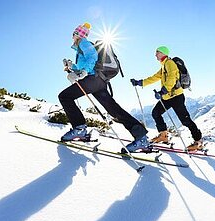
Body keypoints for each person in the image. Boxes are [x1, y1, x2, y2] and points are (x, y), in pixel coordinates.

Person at [58, 22, 149, 152]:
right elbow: (83, 66)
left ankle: (79, 129)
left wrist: (83, 72)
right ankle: (141, 137)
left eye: (74, 33)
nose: (72, 36)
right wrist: (72, 66)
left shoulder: (83, 43)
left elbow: (92, 57)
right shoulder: (79, 49)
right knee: (114, 110)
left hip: (93, 80)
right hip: (99, 82)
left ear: (77, 34)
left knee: (65, 96)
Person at [130, 46, 203, 151]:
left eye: (157, 52)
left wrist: (162, 91)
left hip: (176, 97)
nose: (155, 55)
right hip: (167, 97)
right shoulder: (164, 65)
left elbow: (172, 79)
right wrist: (140, 82)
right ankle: (163, 136)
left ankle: (198, 141)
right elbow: (154, 77)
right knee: (156, 113)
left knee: (185, 120)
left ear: (163, 53)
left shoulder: (170, 63)